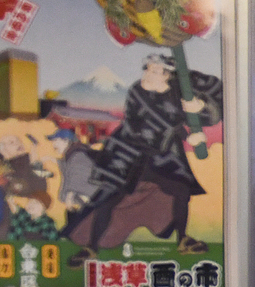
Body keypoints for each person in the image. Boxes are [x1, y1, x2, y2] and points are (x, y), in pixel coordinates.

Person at [62, 49, 219, 261]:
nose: (148, 73)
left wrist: (201, 107)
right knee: (109, 198)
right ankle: (91, 247)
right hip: (129, 152)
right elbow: (147, 125)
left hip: (162, 156)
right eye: (148, 69)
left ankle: (183, 239)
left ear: (166, 74)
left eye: (155, 70)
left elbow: (211, 115)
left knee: (181, 190)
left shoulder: (178, 91)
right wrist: (186, 126)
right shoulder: (138, 90)